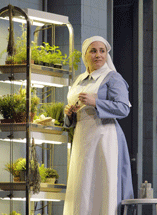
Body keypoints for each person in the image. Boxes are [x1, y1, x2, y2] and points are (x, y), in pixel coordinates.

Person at [63, 36, 134, 215]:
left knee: (102, 186)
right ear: (85, 55)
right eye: (93, 51)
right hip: (82, 139)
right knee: (82, 186)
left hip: (105, 139)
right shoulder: (79, 80)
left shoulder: (112, 77)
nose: (98, 55)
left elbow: (124, 108)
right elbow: (71, 120)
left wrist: (96, 102)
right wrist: (69, 114)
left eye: (102, 51)